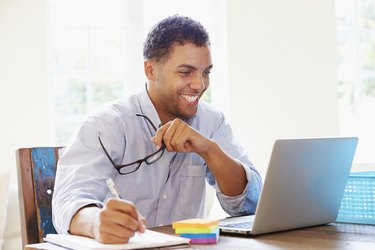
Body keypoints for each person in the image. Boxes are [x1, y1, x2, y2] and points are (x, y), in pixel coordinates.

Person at [52, 15, 262, 244]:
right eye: (186, 72)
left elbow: (250, 204)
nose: (199, 84)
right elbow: (69, 201)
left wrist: (209, 150)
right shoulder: (106, 125)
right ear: (150, 70)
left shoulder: (213, 122)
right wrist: (95, 222)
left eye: (206, 72)